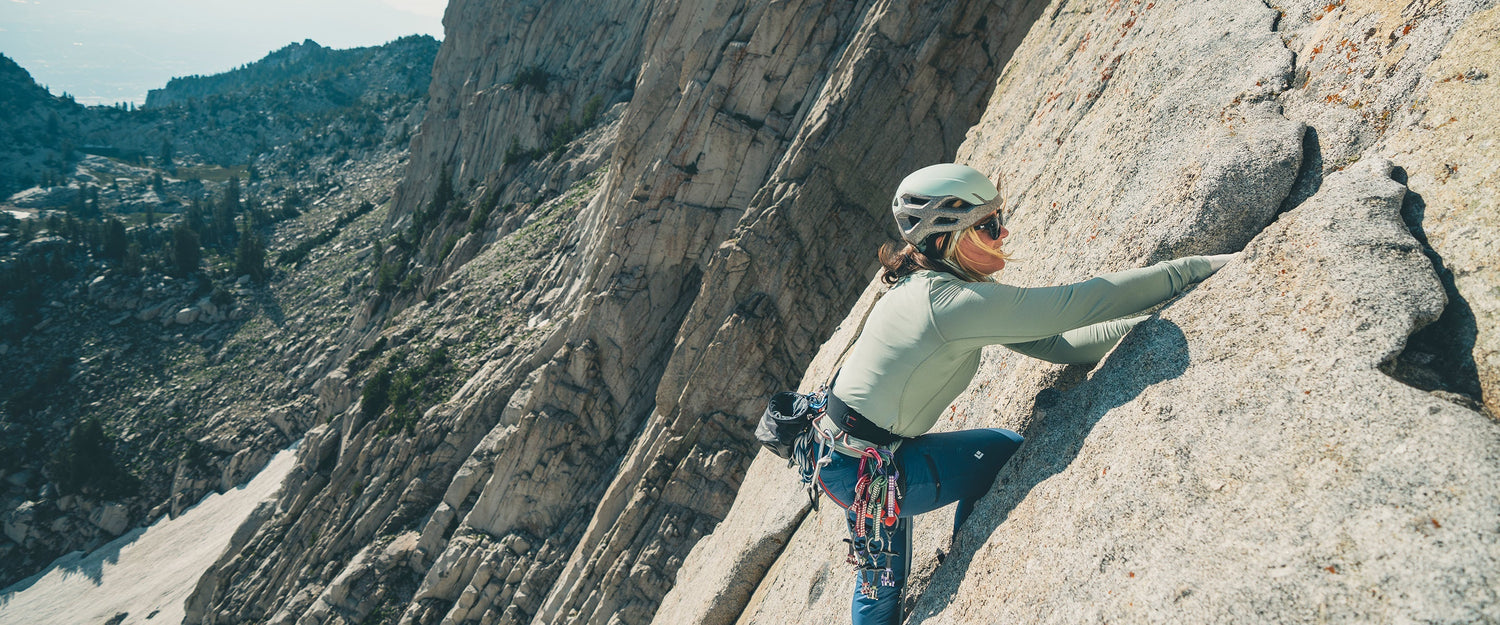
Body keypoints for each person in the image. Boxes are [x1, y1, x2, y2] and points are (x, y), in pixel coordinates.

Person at [806, 163, 1233, 625]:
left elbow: (1055, 343)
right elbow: (1078, 305)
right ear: (949, 237)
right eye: (989, 225)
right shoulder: (952, 305)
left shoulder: (936, 287)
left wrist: (1140, 329)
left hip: (845, 458)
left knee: (879, 592)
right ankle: (971, 543)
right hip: (874, 469)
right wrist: (1195, 271)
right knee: (1001, 451)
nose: (1004, 231)